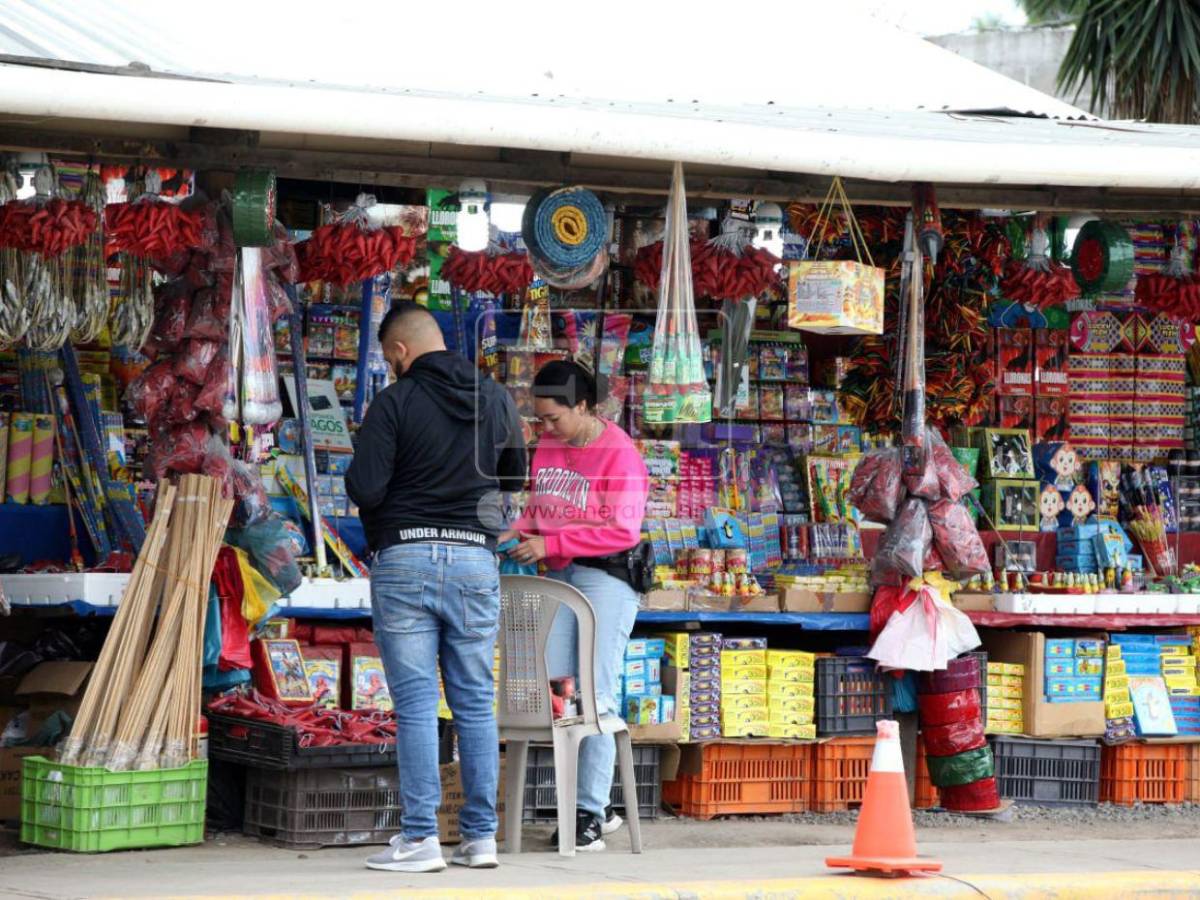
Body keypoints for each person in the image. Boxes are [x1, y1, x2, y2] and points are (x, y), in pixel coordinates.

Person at [346, 302, 527, 874]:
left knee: (419, 704)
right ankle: (481, 839)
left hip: (406, 559)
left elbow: (366, 489)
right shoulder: (497, 398)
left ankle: (421, 839)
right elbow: (516, 478)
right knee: (474, 702)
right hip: (476, 560)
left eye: (387, 356)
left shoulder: (394, 401)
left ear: (398, 351)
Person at [501, 360, 649, 852]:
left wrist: (551, 542)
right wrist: (518, 532)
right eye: (539, 420)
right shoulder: (549, 444)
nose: (545, 429)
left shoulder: (619, 454)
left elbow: (623, 531)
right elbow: (540, 507)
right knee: (563, 692)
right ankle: (593, 805)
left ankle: (587, 812)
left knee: (596, 692)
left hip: (607, 577)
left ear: (583, 407)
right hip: (560, 574)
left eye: (553, 419)